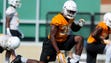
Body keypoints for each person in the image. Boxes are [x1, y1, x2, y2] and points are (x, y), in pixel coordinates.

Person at [11, 0, 85, 63]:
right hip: (51, 43)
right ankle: (21, 59)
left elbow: (74, 29)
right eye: (70, 11)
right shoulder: (57, 19)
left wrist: (79, 25)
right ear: (64, 9)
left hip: (63, 41)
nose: (71, 14)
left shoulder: (70, 19)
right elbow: (52, 36)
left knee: (79, 38)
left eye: (73, 12)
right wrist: (58, 52)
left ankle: (75, 60)